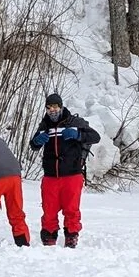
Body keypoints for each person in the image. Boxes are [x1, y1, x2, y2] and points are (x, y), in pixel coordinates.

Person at [29, 93, 101, 248]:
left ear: (61, 106)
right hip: (50, 175)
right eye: (49, 108)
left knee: (71, 209)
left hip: (72, 174)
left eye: (55, 107)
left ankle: (71, 236)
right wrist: (36, 141)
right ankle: (49, 236)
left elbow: (95, 137)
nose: (52, 110)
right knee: (49, 209)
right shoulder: (44, 125)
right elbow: (33, 146)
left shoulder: (74, 122)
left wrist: (78, 134)